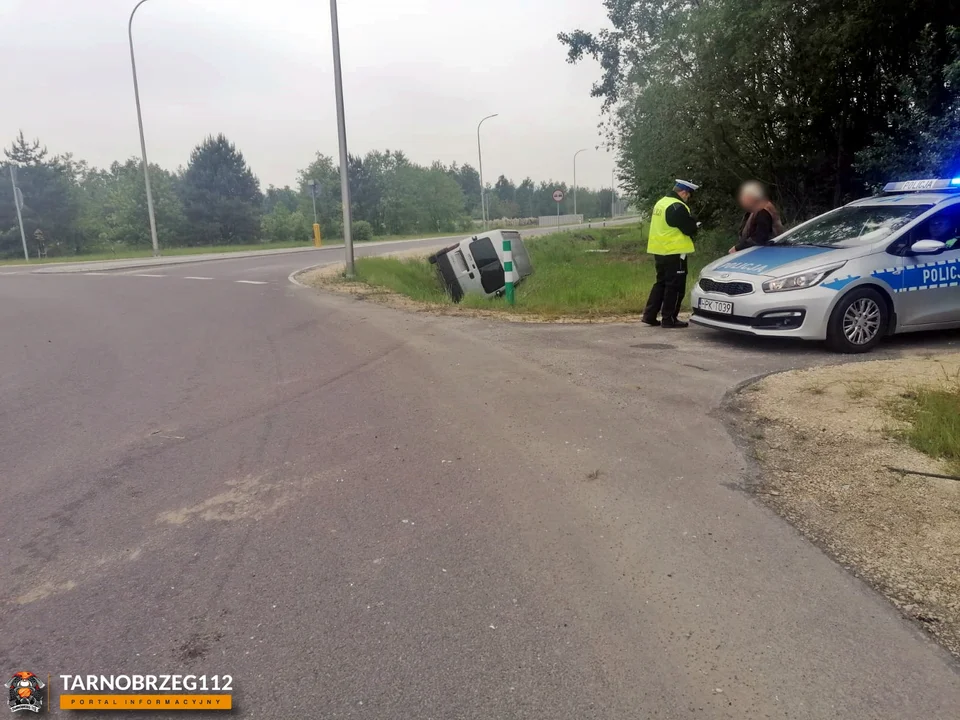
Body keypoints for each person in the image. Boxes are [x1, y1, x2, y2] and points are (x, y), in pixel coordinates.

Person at [642, 180, 699, 329]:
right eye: (689, 196)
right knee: (675, 286)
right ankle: (669, 318)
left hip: (659, 250)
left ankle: (649, 315)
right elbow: (689, 229)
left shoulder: (661, 203)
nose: (688, 199)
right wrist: (694, 223)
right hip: (675, 252)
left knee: (660, 283)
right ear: (684, 192)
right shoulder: (677, 206)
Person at [728, 181, 784, 254]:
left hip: (766, 253)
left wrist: (738, 248)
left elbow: (759, 238)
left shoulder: (763, 211)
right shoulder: (756, 209)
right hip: (760, 252)